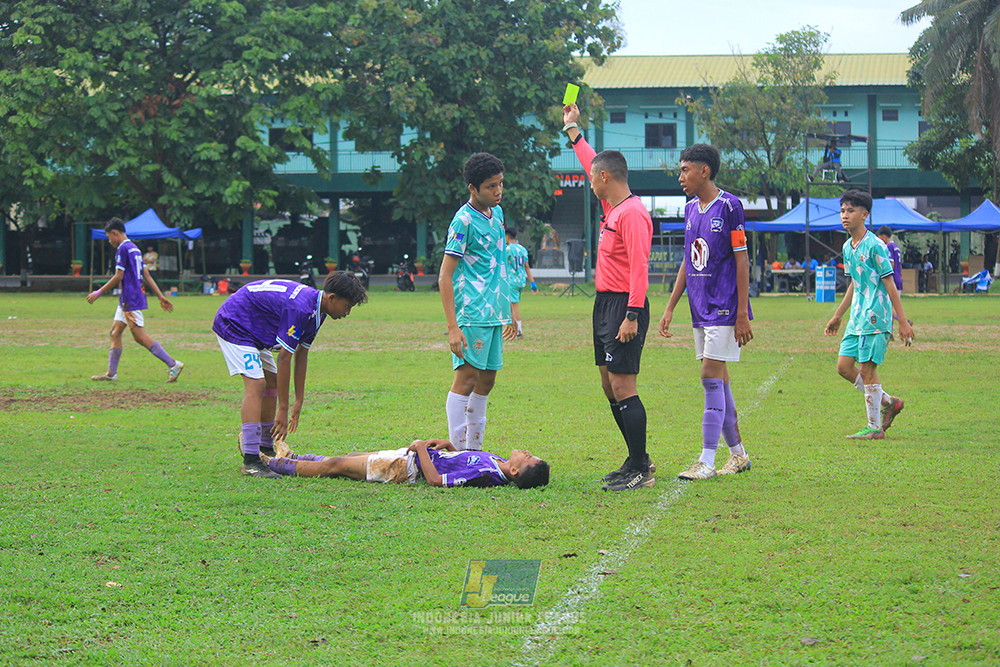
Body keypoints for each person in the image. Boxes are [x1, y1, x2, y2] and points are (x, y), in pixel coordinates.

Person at [562, 103, 654, 492]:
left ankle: (642, 469)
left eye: (593, 178)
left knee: (622, 386)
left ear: (604, 178)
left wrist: (632, 314)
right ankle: (635, 460)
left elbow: (639, 268)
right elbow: (590, 162)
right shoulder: (611, 205)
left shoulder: (632, 213)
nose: (589, 180)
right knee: (607, 383)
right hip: (605, 304)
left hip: (624, 306)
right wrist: (573, 131)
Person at [659, 143, 754, 481]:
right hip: (700, 309)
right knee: (720, 382)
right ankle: (739, 454)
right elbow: (688, 260)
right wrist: (670, 307)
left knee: (710, 378)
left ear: (704, 171)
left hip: (725, 307)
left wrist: (742, 313)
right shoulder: (689, 210)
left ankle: (706, 460)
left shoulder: (730, 206)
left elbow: (742, 259)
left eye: (685, 170)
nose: (680, 176)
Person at [213, 272, 367, 478]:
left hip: (255, 330)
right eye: (347, 306)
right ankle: (251, 461)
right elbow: (285, 358)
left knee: (271, 381)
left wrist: (298, 401)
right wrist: (282, 409)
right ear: (332, 298)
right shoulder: (302, 308)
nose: (347, 313)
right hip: (235, 323)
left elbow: (301, 353)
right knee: (257, 384)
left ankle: (266, 449)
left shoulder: (318, 311)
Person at [438, 153, 517, 453]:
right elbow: (445, 275)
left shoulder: (497, 214)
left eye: (500, 184)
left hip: (494, 312)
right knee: (467, 379)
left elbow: (500, 263)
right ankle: (458, 453)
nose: (498, 191)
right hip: (471, 313)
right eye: (490, 186)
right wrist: (452, 327)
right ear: (473, 188)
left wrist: (507, 308)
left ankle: (474, 451)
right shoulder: (463, 221)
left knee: (487, 381)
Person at [824, 190, 914, 440]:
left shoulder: (876, 245)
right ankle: (888, 402)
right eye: (842, 210)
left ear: (864, 214)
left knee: (866, 369)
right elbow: (854, 283)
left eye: (850, 211)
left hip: (876, 316)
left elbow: (890, 284)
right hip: (857, 317)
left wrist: (902, 321)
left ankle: (874, 428)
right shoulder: (847, 247)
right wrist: (838, 315)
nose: (845, 215)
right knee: (843, 367)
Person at [87, 217, 184, 383]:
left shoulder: (123, 249)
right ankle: (111, 374)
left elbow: (119, 275)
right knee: (115, 333)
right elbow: (145, 274)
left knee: (140, 337)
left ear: (115, 233)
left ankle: (173, 364)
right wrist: (160, 296)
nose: (109, 241)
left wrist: (99, 292)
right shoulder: (135, 249)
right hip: (128, 297)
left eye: (109, 236)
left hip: (130, 298)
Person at [258, 437, 550, 489]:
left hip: (407, 468)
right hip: (410, 458)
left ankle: (273, 464)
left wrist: (422, 449)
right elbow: (458, 459)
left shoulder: (486, 474)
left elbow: (437, 481)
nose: (524, 451)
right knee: (347, 459)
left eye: (526, 457)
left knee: (336, 465)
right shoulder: (497, 463)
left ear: (515, 471)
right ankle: (293, 458)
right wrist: (447, 446)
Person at [505, 226, 538, 338]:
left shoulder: (508, 250)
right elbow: (527, 267)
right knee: (510, 305)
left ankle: (518, 331)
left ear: (507, 237)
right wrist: (532, 283)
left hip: (512, 281)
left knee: (514, 307)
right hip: (521, 281)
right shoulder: (523, 249)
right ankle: (513, 328)